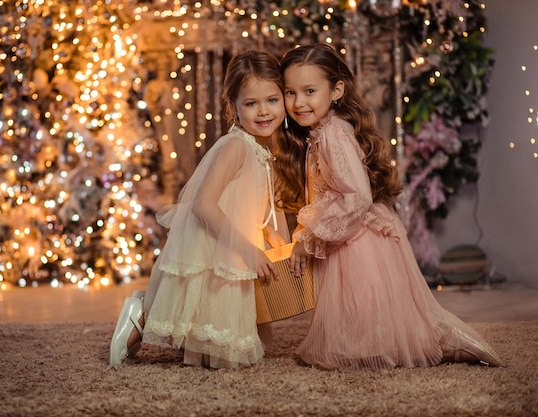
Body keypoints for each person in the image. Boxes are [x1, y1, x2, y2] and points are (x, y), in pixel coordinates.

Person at [277, 43, 502, 370]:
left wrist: (309, 236)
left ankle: (450, 345)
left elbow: (357, 198)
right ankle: (448, 343)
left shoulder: (332, 136)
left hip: (356, 239)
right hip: (353, 232)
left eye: (309, 91)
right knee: (366, 330)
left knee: (357, 346)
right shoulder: (324, 131)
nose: (298, 103)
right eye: (290, 93)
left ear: (336, 90)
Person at [110, 50, 289, 368]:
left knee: (235, 343)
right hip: (216, 241)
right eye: (251, 103)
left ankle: (146, 309)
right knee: (215, 333)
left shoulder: (260, 149)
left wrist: (273, 238)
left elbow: (250, 207)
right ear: (234, 105)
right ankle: (139, 315)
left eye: (272, 100)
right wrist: (248, 251)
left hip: (231, 239)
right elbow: (204, 206)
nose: (264, 111)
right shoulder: (236, 146)